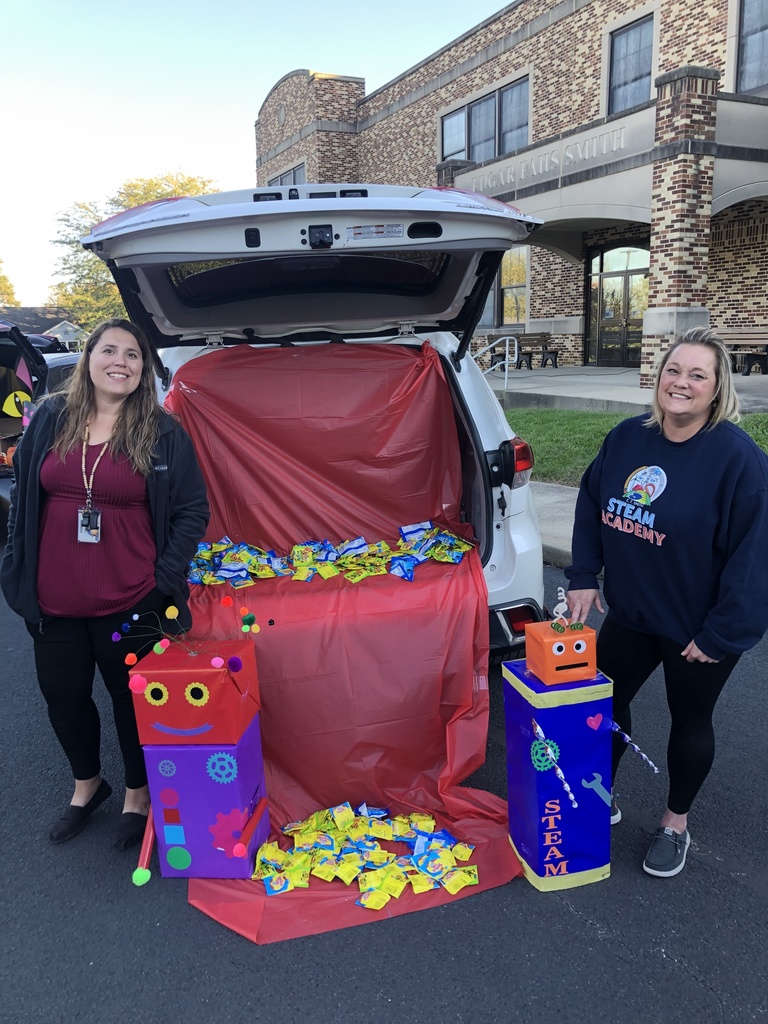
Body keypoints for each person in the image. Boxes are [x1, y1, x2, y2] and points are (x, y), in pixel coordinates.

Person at [565, 328, 768, 878]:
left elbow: (754, 559)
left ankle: (675, 823)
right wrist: (582, 574)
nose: (681, 383)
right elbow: (591, 502)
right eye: (673, 370)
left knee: (690, 721)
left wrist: (720, 634)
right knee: (602, 705)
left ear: (717, 388)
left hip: (697, 628)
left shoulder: (739, 462)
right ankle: (598, 793)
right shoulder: (628, 438)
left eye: (697, 375)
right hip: (632, 612)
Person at [1, 318, 209, 850]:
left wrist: (164, 579)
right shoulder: (51, 418)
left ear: (144, 369)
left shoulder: (163, 433)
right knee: (64, 696)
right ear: (89, 358)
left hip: (133, 598)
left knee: (130, 698)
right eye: (109, 350)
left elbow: (192, 511)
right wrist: (15, 563)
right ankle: (87, 786)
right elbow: (23, 495)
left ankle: (137, 794)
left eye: (133, 355)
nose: (121, 361)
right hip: (53, 598)